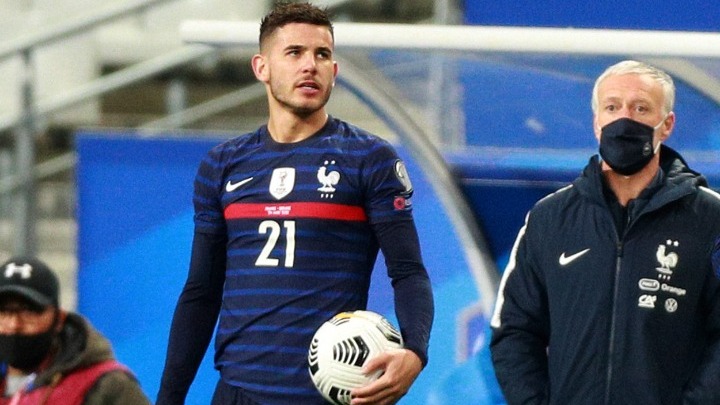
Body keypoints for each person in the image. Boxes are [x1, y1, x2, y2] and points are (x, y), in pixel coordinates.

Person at [156, 2, 434, 405]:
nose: (310, 65)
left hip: (324, 395)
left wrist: (415, 352)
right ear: (261, 67)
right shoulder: (222, 163)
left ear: (334, 71)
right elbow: (201, 291)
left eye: (322, 55)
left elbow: (408, 271)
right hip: (237, 393)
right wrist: (168, 398)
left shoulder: (369, 159)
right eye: (294, 53)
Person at [489, 60, 720, 404]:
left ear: (667, 125)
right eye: (612, 107)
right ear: (597, 122)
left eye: (641, 108)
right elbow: (514, 330)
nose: (624, 119)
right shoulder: (549, 218)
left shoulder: (710, 218)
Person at [0, 256, 151, 405]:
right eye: (3, 312)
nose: (14, 325)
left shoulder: (106, 386)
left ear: (59, 319)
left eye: (29, 312)